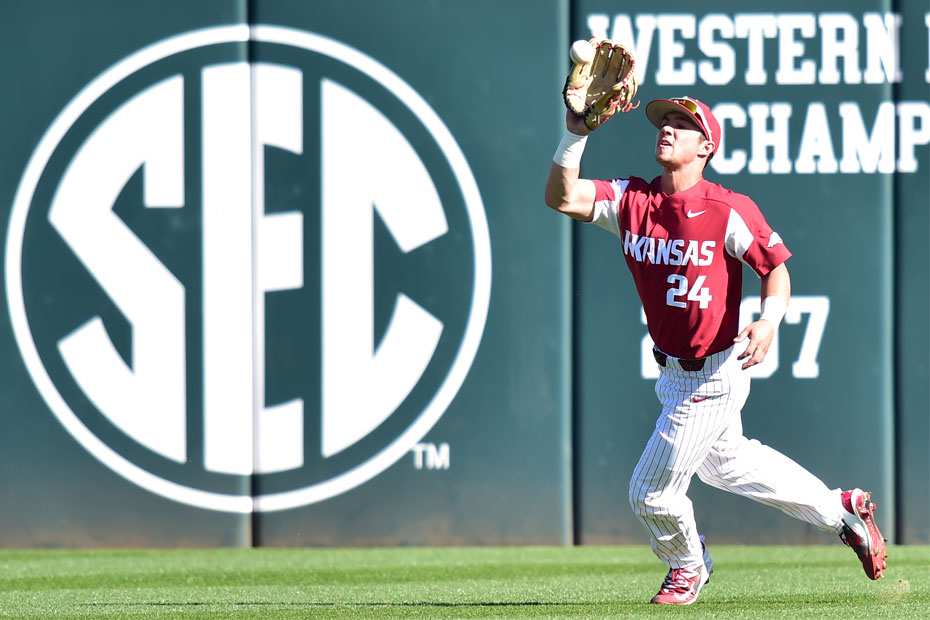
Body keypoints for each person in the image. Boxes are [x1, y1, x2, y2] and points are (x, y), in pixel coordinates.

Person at [544, 96, 888, 605]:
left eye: (683, 124)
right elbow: (562, 197)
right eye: (665, 121)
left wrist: (769, 320)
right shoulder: (634, 200)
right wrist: (576, 132)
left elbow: (775, 270)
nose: (668, 129)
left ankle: (689, 565)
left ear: (706, 146)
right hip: (674, 375)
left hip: (714, 374)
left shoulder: (727, 209)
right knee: (728, 465)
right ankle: (842, 511)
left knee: (649, 492)